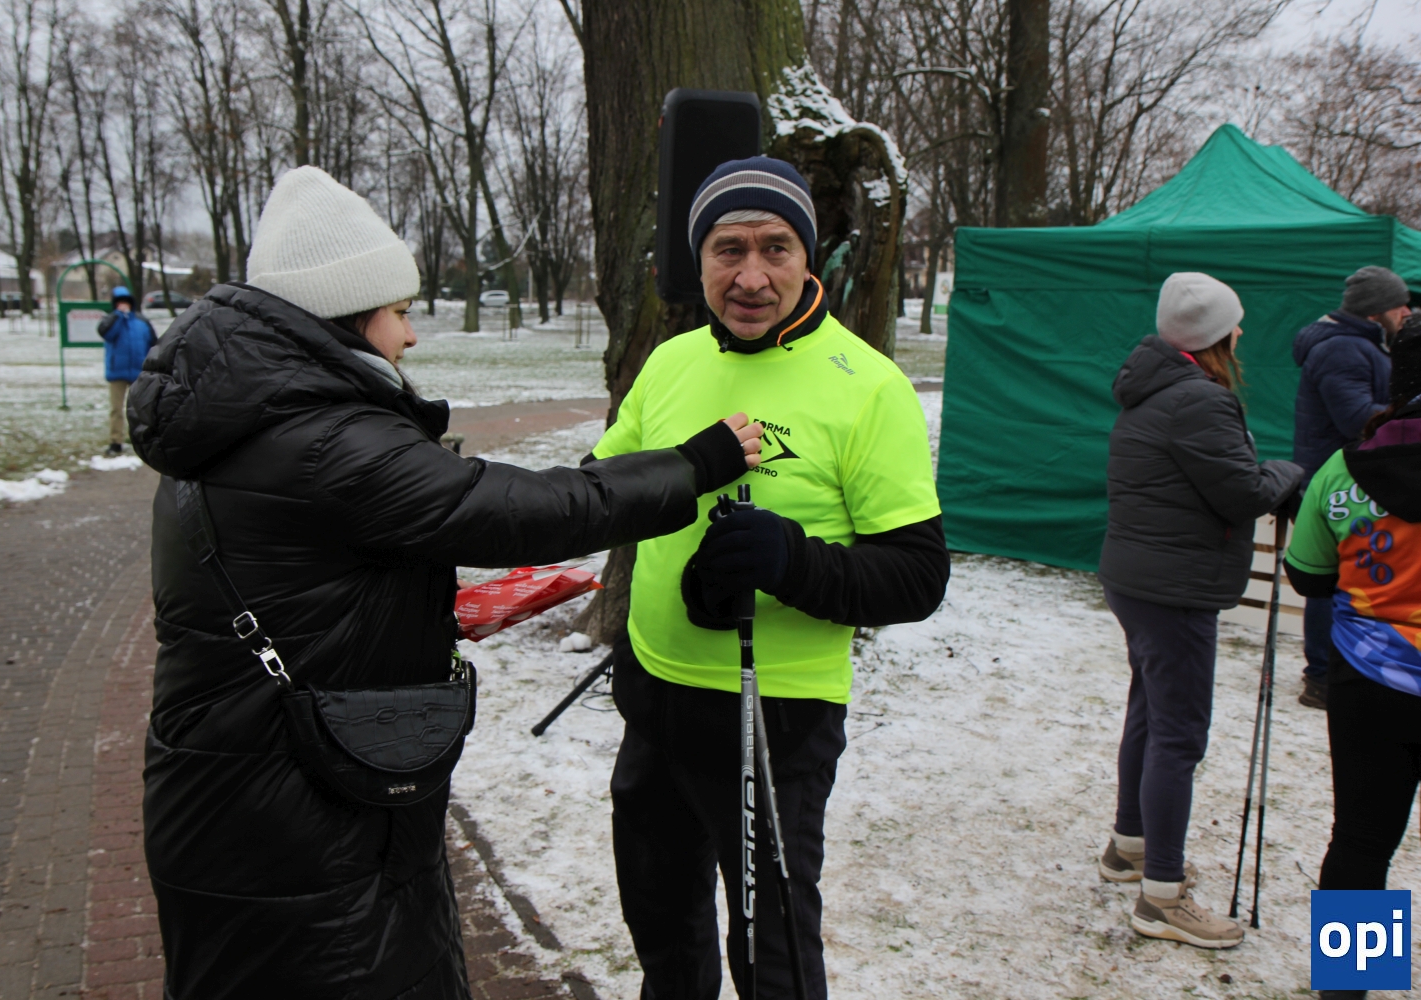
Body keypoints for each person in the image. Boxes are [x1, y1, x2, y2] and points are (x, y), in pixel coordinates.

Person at [126, 166, 764, 1000]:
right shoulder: (325, 438)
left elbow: (303, 582)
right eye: (399, 312)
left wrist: (412, 608)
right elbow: (516, 512)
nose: (411, 336)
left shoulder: (237, 413)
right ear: (345, 315)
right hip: (296, 814)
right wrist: (695, 463)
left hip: (237, 784)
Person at [590, 156, 951, 999]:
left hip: (775, 723)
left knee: (773, 963)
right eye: (729, 249)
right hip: (654, 700)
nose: (751, 277)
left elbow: (918, 576)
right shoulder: (671, 361)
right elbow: (601, 493)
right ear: (699, 260)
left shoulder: (869, 386)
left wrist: (790, 561)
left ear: (806, 256)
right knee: (664, 941)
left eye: (775, 248)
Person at [1096, 272, 1302, 949]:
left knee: (1150, 713)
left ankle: (1130, 847)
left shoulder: (1158, 387)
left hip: (1143, 578)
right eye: (1233, 323)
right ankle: (1161, 896)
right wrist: (1290, 472)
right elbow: (1243, 494)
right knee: (1178, 734)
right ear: (1214, 334)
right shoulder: (1198, 400)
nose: (1241, 332)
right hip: (1172, 588)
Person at [1286, 325, 1421, 1000]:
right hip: (1373, 678)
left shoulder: (1343, 468)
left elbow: (1308, 575)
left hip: (1371, 681)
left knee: (1363, 841)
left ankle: (1348, 989)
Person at [1291, 265, 1412, 710]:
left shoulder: (1362, 344)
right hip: (1341, 479)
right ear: (1377, 310)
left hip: (1360, 474)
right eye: (1400, 304)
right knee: (1332, 579)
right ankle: (1322, 675)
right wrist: (1411, 413)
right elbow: (1356, 417)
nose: (1407, 311)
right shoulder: (1343, 348)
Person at [97, 285, 156, 456]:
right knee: (116, 409)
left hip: (139, 372)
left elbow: (153, 343)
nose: (123, 305)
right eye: (119, 302)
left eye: (126, 302)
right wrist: (118, 316)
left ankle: (142, 439)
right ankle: (116, 441)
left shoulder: (142, 322)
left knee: (141, 409)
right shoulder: (111, 321)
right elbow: (106, 334)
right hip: (117, 372)